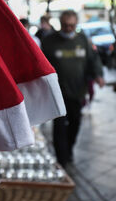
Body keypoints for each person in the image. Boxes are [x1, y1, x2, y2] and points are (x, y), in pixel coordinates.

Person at [41, 10, 105, 167]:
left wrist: (98, 75)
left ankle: (69, 149)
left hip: (77, 91)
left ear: (76, 24)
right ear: (60, 24)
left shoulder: (83, 39)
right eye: (65, 25)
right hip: (57, 93)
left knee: (75, 123)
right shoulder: (49, 41)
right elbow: (41, 63)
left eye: (71, 25)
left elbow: (93, 59)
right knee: (59, 126)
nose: (68, 28)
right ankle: (61, 158)